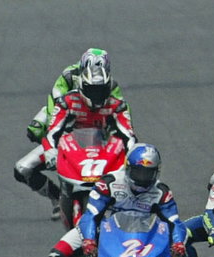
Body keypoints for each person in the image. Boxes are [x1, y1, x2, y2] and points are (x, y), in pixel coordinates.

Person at [46, 144, 206, 257]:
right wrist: (89, 240)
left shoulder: (161, 191)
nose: (142, 179)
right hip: (104, 229)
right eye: (138, 172)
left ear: (156, 172)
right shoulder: (109, 183)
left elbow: (174, 222)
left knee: (182, 251)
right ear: (128, 167)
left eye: (148, 173)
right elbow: (90, 215)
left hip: (147, 233)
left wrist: (178, 244)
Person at [13, 55, 136, 208]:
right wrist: (51, 151)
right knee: (22, 168)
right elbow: (53, 130)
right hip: (69, 147)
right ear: (83, 87)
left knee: (136, 171)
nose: (97, 96)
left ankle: (129, 206)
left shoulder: (117, 105)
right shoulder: (66, 101)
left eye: (101, 91)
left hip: (104, 150)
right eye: (93, 91)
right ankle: (57, 198)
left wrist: (131, 156)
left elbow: (129, 135)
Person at [25, 48, 125, 143]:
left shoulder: (108, 83)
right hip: (71, 112)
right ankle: (50, 146)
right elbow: (55, 98)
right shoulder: (69, 75)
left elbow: (121, 106)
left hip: (99, 114)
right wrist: (53, 122)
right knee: (35, 129)